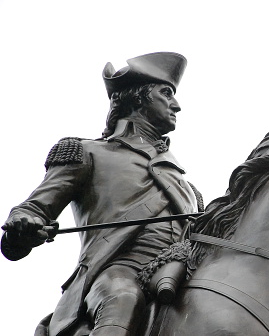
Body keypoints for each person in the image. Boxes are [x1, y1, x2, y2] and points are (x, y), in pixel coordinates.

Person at [1, 52, 202, 336]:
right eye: (166, 93)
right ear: (137, 97)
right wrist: (23, 223)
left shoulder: (189, 189)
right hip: (116, 271)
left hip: (179, 275)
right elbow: (33, 210)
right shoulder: (86, 152)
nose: (177, 105)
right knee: (122, 296)